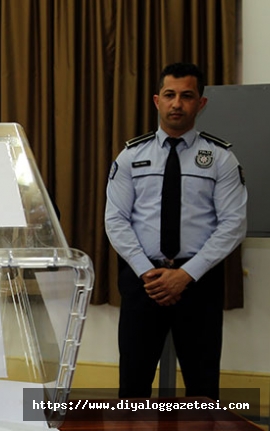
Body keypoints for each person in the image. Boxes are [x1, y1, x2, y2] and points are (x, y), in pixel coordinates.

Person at [105, 62, 247, 400]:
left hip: (199, 283)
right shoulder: (130, 156)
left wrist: (186, 274)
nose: (177, 104)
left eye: (187, 96)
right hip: (144, 284)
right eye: (169, 95)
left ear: (201, 103)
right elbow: (116, 220)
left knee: (202, 388)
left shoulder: (220, 158)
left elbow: (233, 224)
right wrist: (148, 272)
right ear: (157, 101)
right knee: (133, 387)